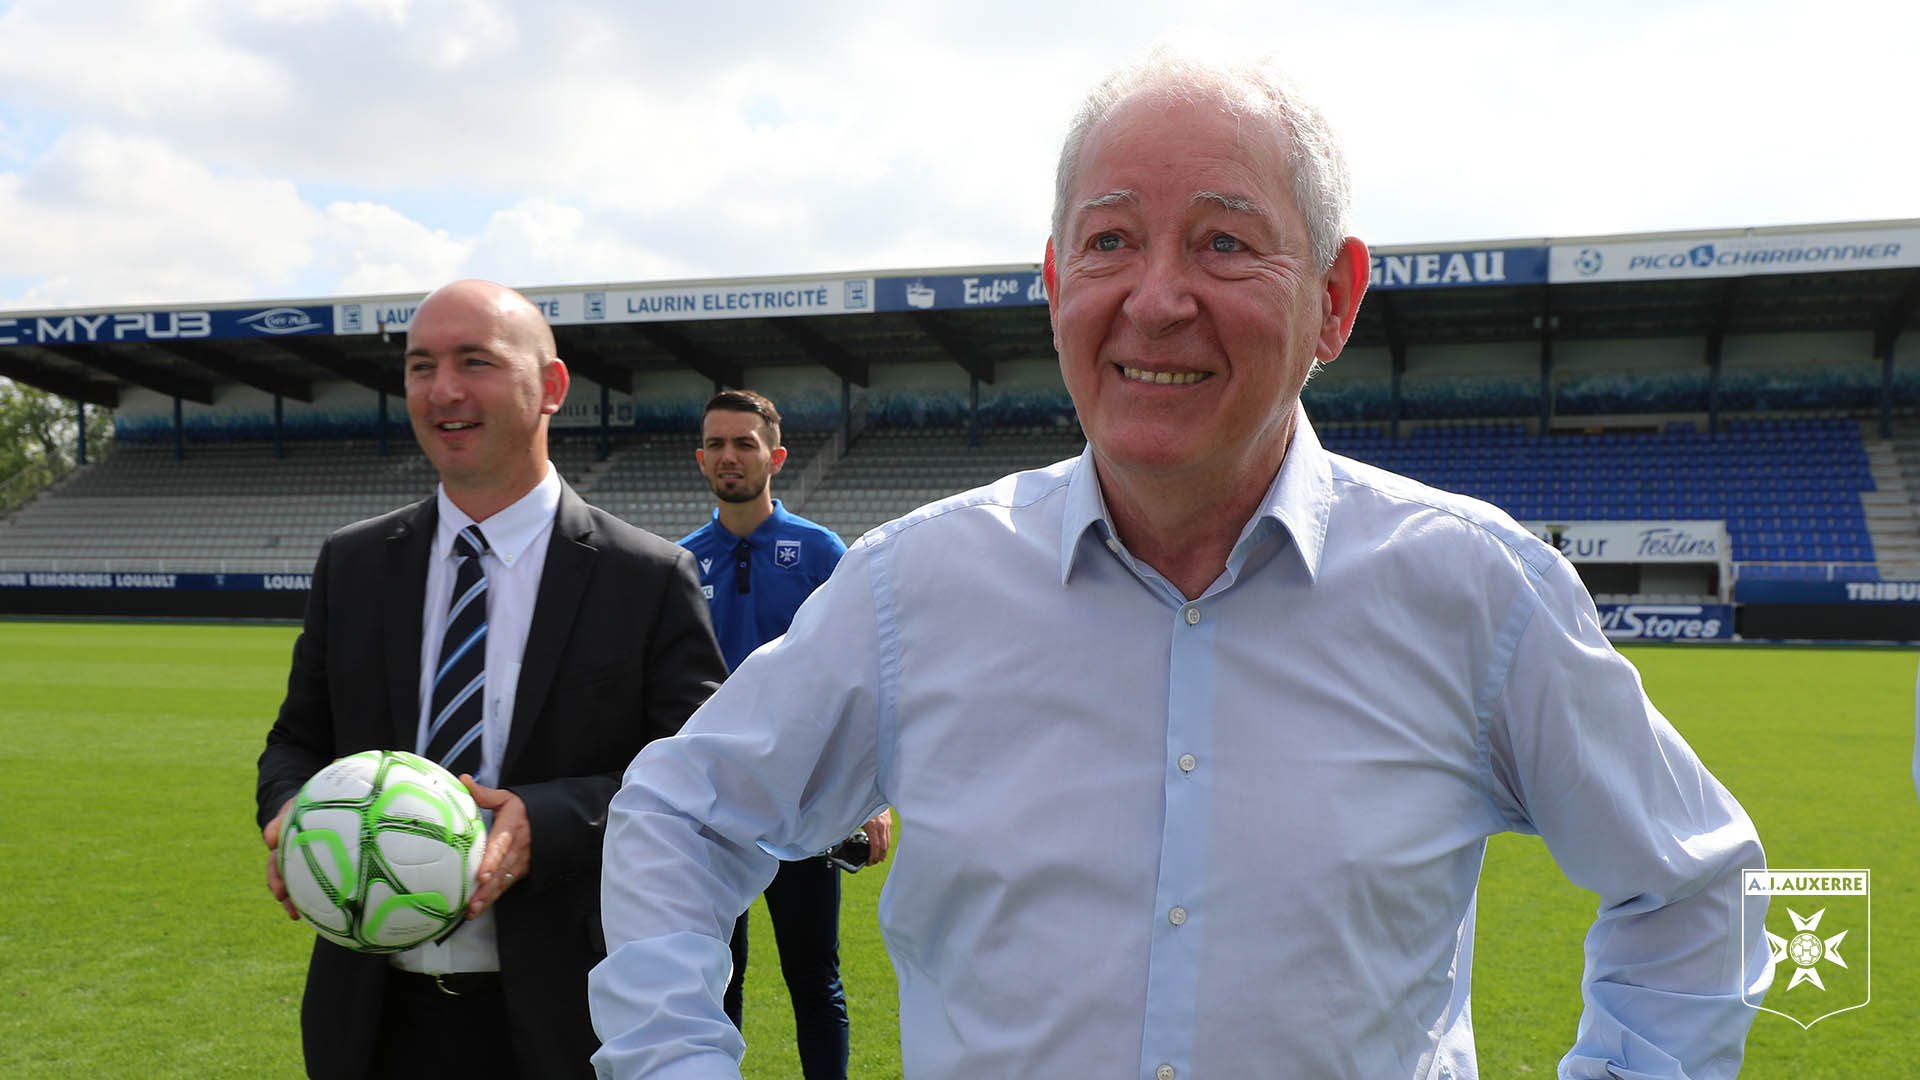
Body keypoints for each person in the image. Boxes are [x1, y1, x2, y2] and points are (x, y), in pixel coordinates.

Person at [588, 51, 1770, 1080]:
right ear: (1055, 284)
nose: (1156, 301)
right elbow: (679, 818)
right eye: (1110, 241)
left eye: (1224, 241)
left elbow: (1690, 885)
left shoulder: (1472, 591)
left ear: (1335, 300)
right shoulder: (914, 591)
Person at [256, 279, 727, 1080]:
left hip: (561, 1014)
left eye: (475, 361)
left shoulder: (646, 577)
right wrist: (295, 808)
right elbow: (296, 739)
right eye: (420, 365)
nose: (443, 391)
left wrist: (547, 820)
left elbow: (700, 780)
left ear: (550, 388)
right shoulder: (354, 563)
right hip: (372, 1018)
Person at [677, 389, 893, 1079]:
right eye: (716, 444)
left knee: (814, 978)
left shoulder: (821, 554)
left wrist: (871, 796)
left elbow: (863, 676)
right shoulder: (678, 565)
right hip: (714, 808)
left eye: (743, 443)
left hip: (804, 801)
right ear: (701, 457)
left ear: (775, 455)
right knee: (718, 980)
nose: (729, 456)